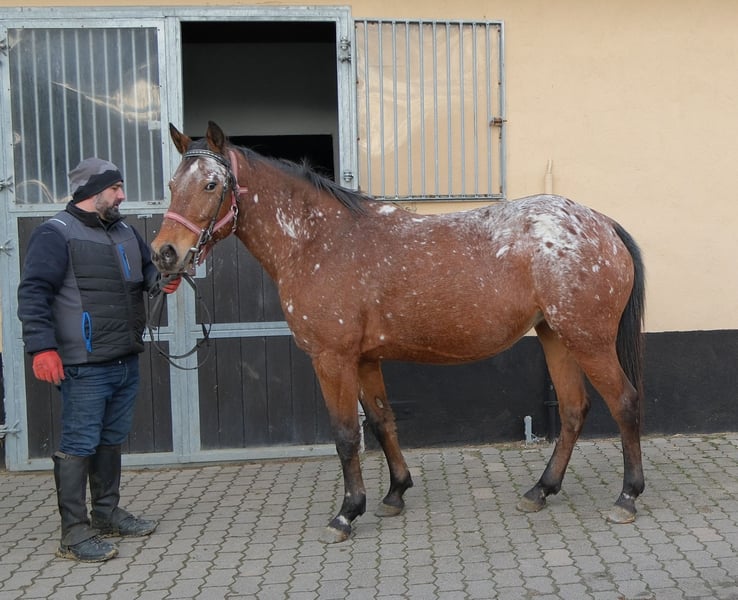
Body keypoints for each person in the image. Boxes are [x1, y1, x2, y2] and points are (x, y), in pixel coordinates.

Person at [17, 158, 181, 562]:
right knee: (79, 444)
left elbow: (146, 273)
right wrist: (42, 348)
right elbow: (34, 293)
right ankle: (73, 534)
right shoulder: (55, 233)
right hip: (83, 363)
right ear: (92, 191)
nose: (122, 195)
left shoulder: (124, 231)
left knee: (110, 440)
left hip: (123, 357)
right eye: (116, 188)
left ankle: (106, 514)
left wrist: (163, 279)